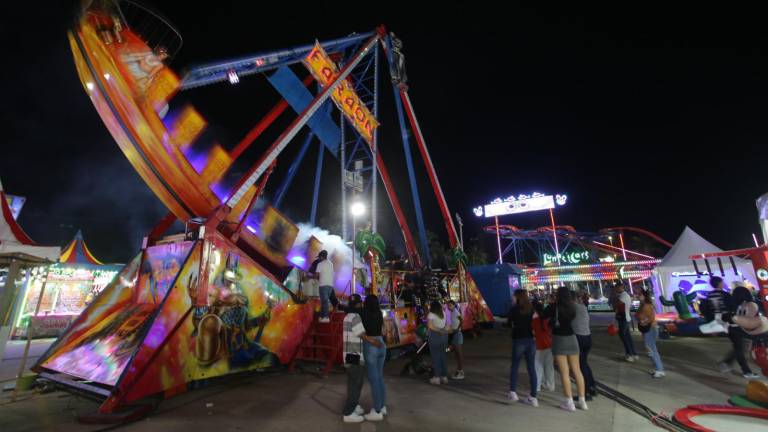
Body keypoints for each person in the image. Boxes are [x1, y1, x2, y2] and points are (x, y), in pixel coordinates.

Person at [545, 286, 587, 412]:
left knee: (564, 373)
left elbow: (543, 315)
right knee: (577, 370)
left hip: (559, 340)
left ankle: (569, 402)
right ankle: (582, 401)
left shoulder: (554, 307)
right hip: (572, 338)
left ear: (557, 295)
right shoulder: (572, 307)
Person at [342, 294, 383, 423]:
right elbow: (361, 334)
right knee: (356, 384)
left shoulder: (348, 316)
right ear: (358, 304)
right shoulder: (356, 317)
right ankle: (348, 413)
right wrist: (374, 341)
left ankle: (354, 407)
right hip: (354, 355)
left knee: (353, 383)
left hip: (348, 354)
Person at [720, 285, 760, 379]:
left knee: (739, 349)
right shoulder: (748, 304)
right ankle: (746, 371)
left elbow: (724, 317)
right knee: (741, 349)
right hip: (741, 329)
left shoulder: (730, 303)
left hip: (732, 329)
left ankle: (726, 363)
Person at [507, 289, 539, 407]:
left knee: (515, 365)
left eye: (514, 296)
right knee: (531, 368)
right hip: (531, 341)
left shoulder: (514, 309)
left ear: (518, 297)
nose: (512, 298)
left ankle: (513, 392)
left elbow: (509, 323)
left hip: (519, 340)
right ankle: (533, 397)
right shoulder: (532, 309)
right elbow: (536, 324)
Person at [361, 295, 387, 421]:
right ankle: (382, 406)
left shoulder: (363, 314)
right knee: (380, 377)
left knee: (374, 380)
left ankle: (377, 411)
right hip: (381, 343)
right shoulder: (379, 313)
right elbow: (383, 329)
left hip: (371, 344)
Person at [636, 290, 666, 378]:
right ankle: (658, 368)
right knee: (652, 349)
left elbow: (651, 318)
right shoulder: (643, 305)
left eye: (640, 294)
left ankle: (659, 369)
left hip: (650, 328)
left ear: (644, 296)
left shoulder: (647, 306)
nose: (638, 296)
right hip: (648, 329)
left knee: (650, 349)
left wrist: (643, 321)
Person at [573, 291, 597, 397]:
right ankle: (591, 386)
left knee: (580, 366)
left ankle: (585, 392)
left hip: (579, 338)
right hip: (587, 337)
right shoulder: (582, 307)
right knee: (584, 363)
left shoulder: (573, 308)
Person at [532, 300, 555, 393]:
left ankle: (537, 386)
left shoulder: (534, 320)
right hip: (549, 345)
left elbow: (532, 332)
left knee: (538, 366)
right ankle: (550, 385)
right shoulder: (547, 320)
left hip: (538, 346)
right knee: (549, 367)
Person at [427, 301, 451, 385]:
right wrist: (443, 330)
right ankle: (444, 377)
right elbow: (447, 325)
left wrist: (439, 330)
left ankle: (437, 377)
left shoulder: (431, 314)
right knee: (443, 356)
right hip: (444, 337)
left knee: (435, 357)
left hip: (435, 336)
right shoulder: (443, 313)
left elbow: (430, 325)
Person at [613, 283, 638, 362]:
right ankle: (634, 354)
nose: (615, 290)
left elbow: (616, 305)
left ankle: (630, 354)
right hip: (625, 318)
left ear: (621, 287)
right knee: (628, 337)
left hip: (623, 319)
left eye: (616, 288)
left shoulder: (623, 296)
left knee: (624, 338)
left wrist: (615, 301)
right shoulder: (624, 295)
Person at [314, 250, 334, 323]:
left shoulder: (320, 264)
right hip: (330, 286)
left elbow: (316, 275)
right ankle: (322, 317)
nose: (319, 259)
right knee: (324, 301)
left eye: (319, 257)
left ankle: (325, 317)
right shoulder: (331, 264)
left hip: (323, 285)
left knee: (324, 301)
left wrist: (310, 276)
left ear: (321, 257)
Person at [447, 300, 465, 380]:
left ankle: (460, 371)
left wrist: (458, 329)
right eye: (448, 306)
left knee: (458, 353)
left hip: (457, 334)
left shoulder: (455, 312)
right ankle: (459, 370)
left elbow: (462, 320)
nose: (449, 307)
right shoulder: (452, 312)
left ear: (454, 305)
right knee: (453, 351)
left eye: (450, 305)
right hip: (454, 334)